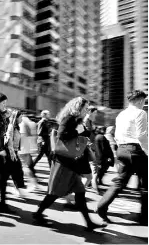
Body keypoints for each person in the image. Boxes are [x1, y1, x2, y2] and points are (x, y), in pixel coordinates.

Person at [33, 97, 104, 231]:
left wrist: (82, 130)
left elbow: (82, 135)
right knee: (54, 193)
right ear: (78, 108)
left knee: (80, 192)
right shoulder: (69, 118)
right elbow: (62, 134)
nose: (86, 110)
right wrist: (78, 130)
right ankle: (38, 214)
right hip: (64, 162)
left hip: (71, 162)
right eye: (85, 108)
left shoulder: (77, 120)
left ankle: (89, 223)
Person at [97, 90, 148, 225]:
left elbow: (117, 135)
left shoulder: (121, 114)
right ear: (139, 100)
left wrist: (123, 149)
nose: (144, 104)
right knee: (146, 184)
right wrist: (148, 152)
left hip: (122, 150)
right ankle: (145, 217)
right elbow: (142, 136)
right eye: (144, 101)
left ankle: (101, 206)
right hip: (136, 151)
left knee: (120, 181)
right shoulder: (140, 113)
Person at [81, 106, 99, 193]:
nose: (96, 114)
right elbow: (86, 134)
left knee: (92, 166)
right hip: (88, 145)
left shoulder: (89, 121)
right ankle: (94, 187)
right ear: (90, 112)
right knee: (94, 165)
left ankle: (88, 185)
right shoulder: (86, 120)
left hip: (90, 145)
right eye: (95, 113)